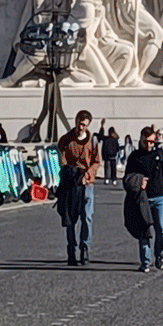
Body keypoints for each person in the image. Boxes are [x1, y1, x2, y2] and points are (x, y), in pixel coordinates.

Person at [125, 127, 163, 269]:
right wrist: (138, 181)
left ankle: (159, 257)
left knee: (162, 229)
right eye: (146, 141)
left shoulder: (161, 155)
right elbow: (127, 178)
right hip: (142, 198)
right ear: (140, 139)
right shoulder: (134, 157)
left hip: (159, 197)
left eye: (152, 142)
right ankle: (145, 262)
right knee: (144, 230)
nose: (149, 145)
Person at [57, 111, 100, 266]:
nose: (80, 127)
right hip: (70, 183)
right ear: (75, 121)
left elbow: (96, 161)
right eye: (79, 123)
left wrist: (88, 174)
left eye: (84, 125)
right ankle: (71, 250)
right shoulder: (65, 140)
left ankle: (84, 248)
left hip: (87, 183)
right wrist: (68, 173)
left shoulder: (92, 141)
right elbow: (61, 159)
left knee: (87, 217)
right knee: (70, 219)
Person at [123, 169, 155, 272]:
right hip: (143, 218)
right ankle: (147, 262)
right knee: (144, 236)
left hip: (138, 217)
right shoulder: (141, 195)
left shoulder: (130, 194)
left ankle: (146, 262)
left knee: (143, 237)